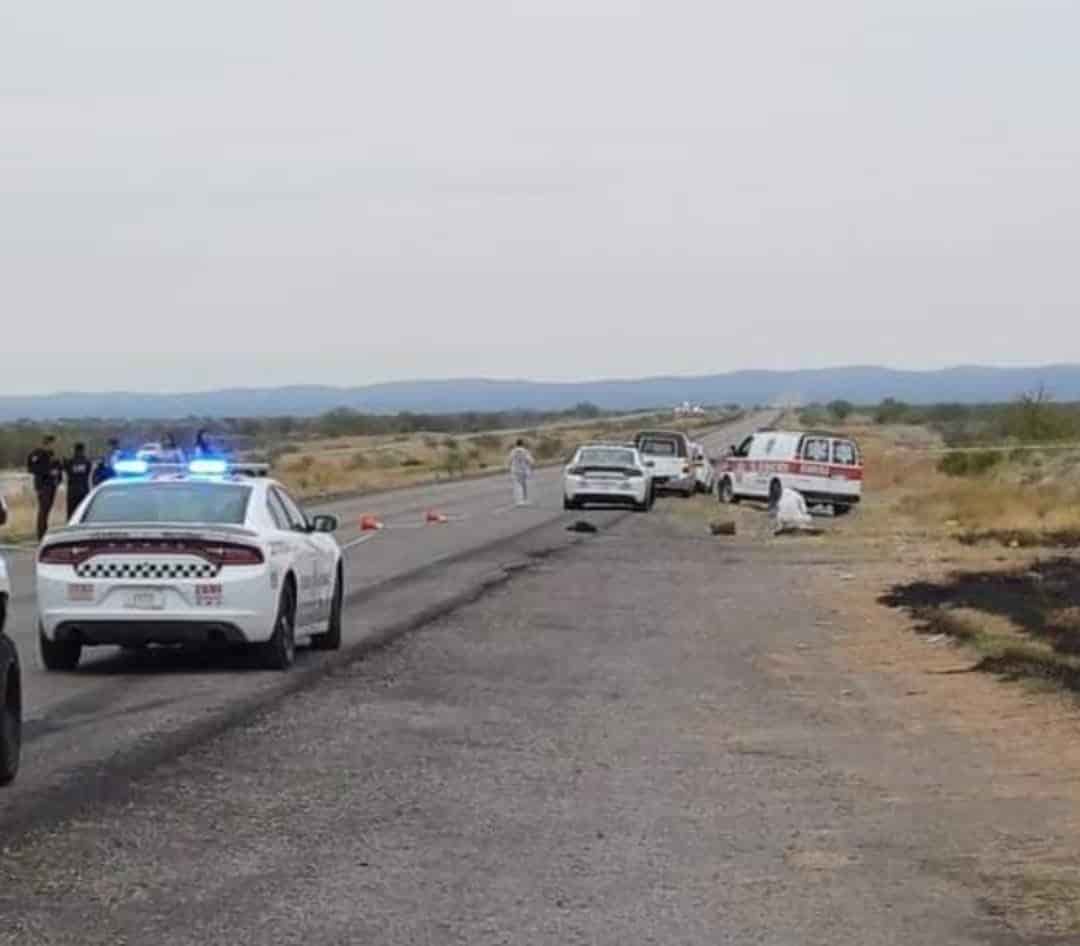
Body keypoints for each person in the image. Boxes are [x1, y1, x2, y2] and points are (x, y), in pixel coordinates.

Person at [26, 434, 63, 540]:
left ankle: (45, 532)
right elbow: (31, 468)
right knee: (43, 510)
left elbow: (58, 468)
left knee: (47, 510)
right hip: (43, 485)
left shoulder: (53, 455)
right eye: (51, 444)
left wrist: (58, 477)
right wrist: (47, 472)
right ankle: (41, 535)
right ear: (46, 443)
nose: (53, 446)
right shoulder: (37, 454)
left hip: (52, 485)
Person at [64, 443, 93, 520]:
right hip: (84, 489)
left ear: (74, 450)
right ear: (83, 450)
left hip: (72, 491)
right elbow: (88, 473)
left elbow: (68, 472)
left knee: (71, 513)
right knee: (83, 512)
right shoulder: (87, 462)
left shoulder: (70, 462)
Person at [507, 439, 535, 507]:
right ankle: (525, 499)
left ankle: (519, 501)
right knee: (524, 486)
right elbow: (530, 460)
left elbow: (509, 460)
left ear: (516, 444)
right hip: (523, 470)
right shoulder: (525, 451)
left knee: (517, 486)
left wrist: (510, 466)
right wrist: (532, 465)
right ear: (522, 444)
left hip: (515, 471)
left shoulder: (513, 451)